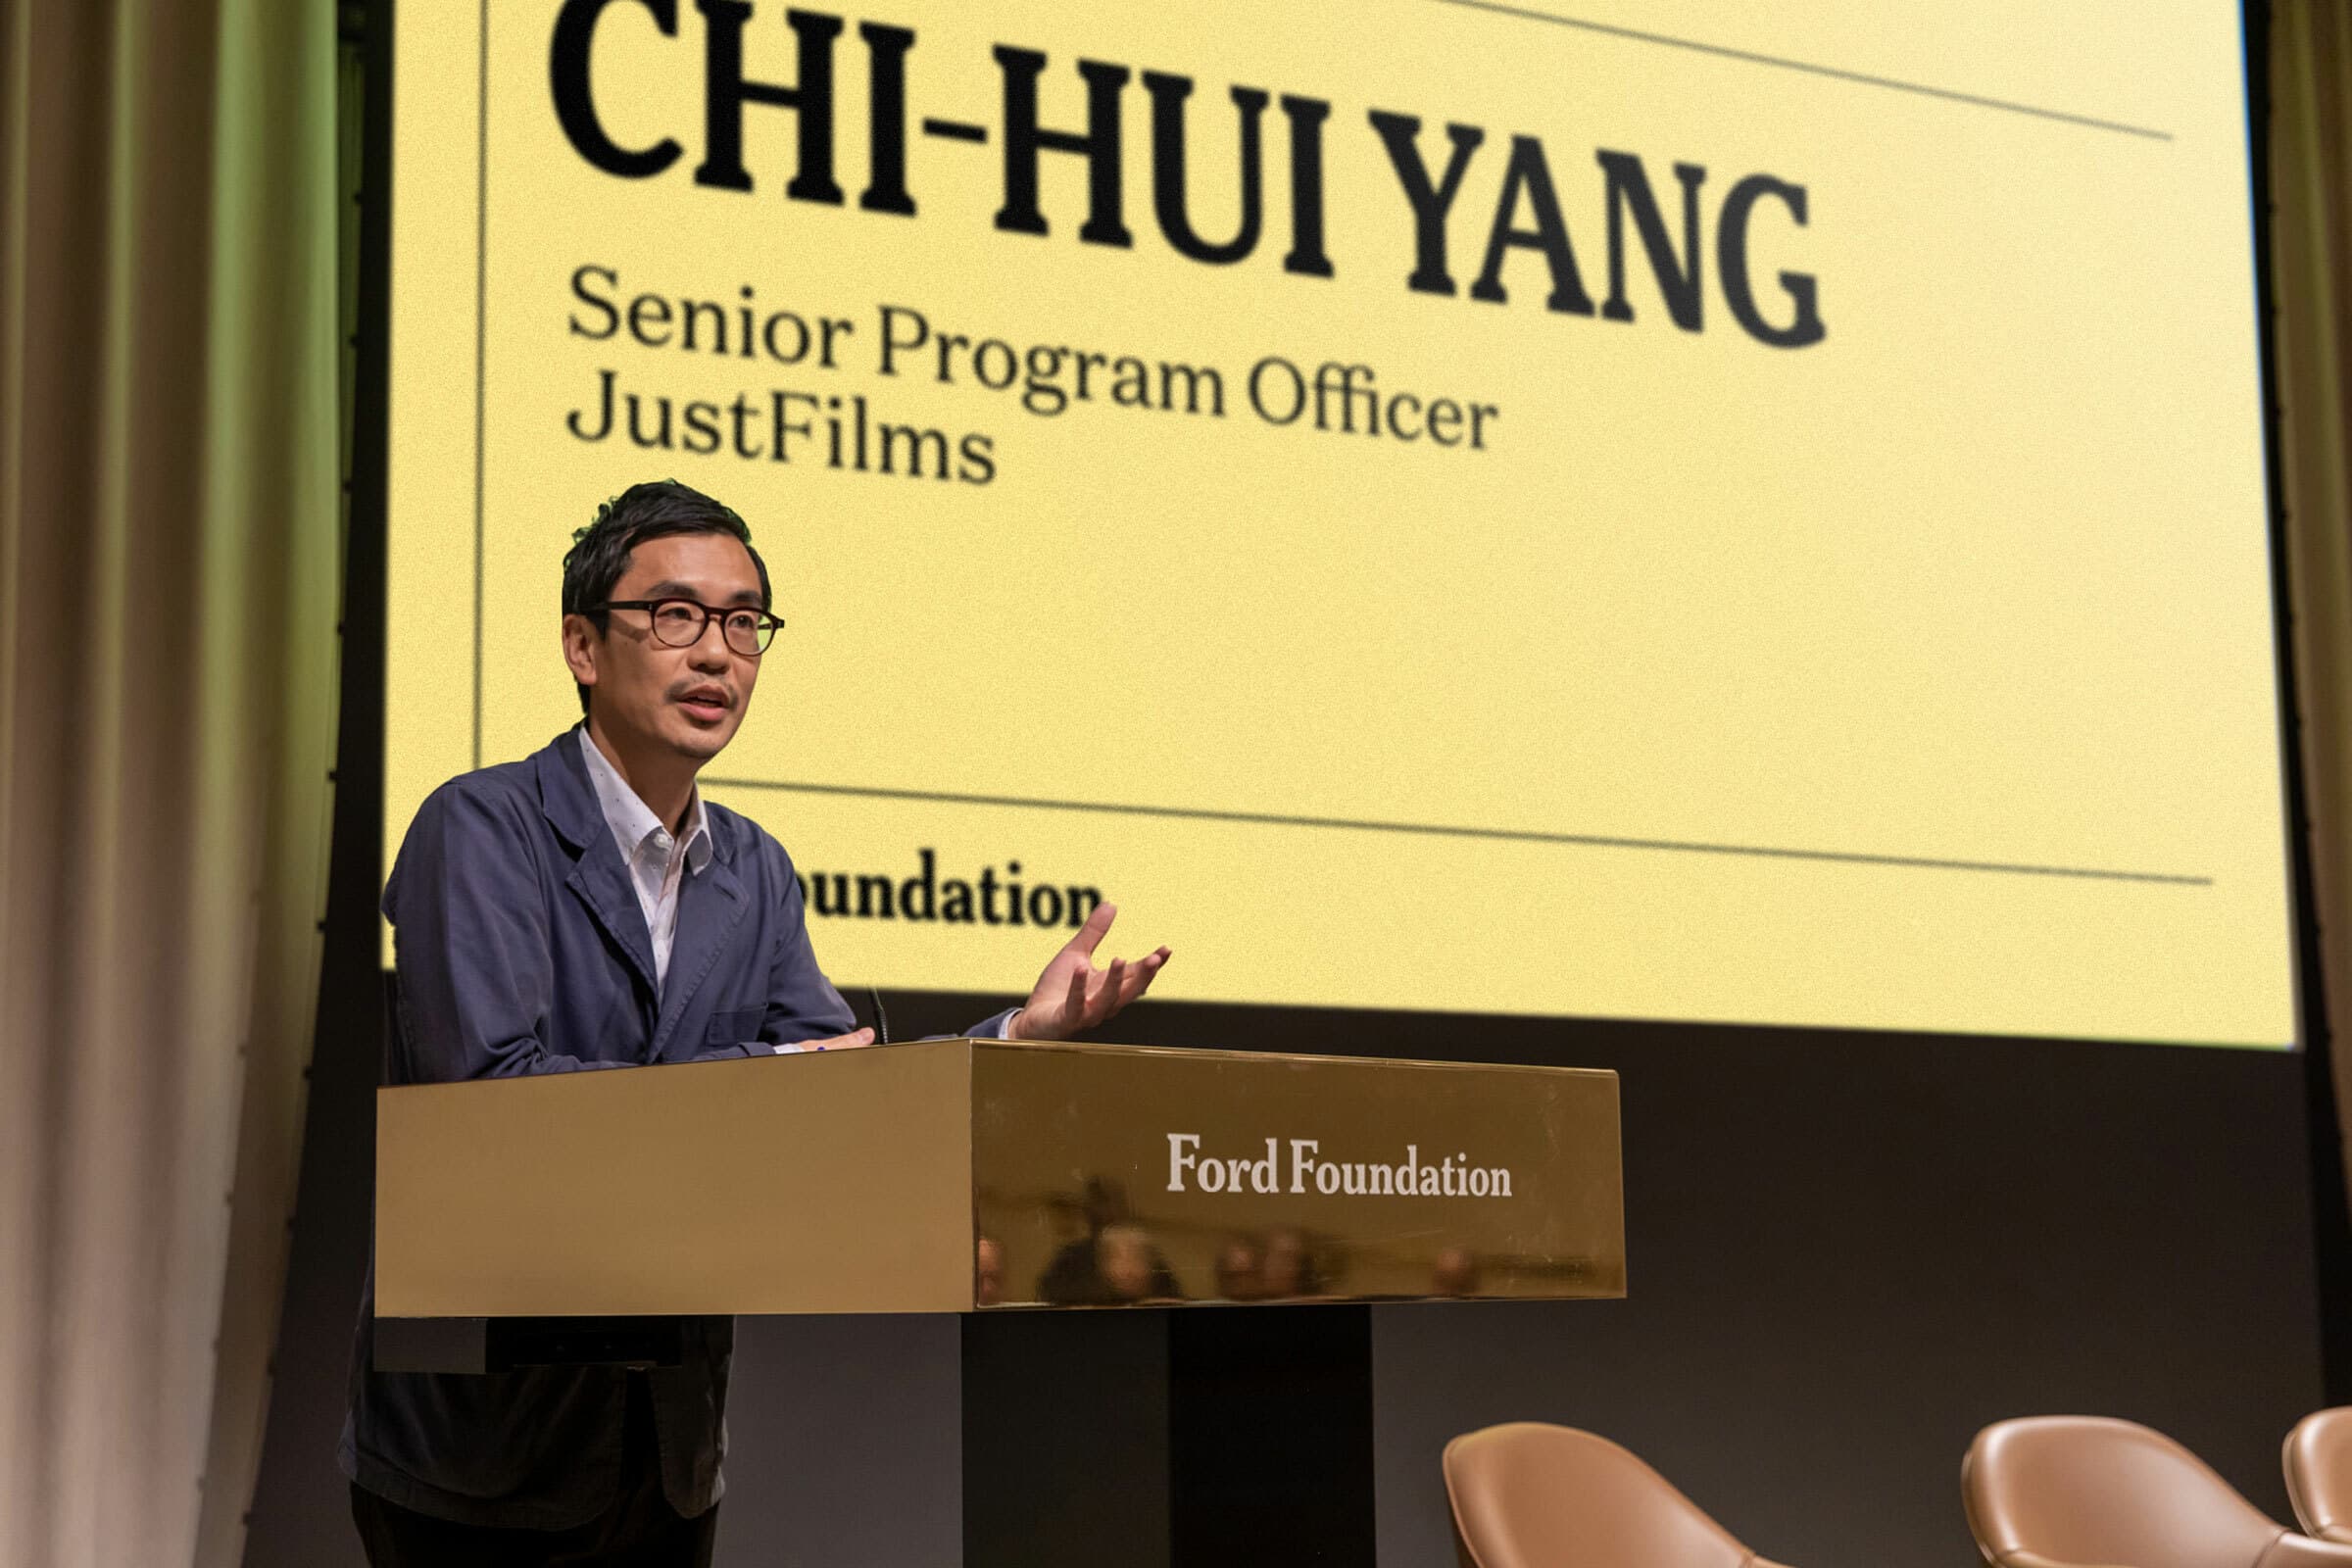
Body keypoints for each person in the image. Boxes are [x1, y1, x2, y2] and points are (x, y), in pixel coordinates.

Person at [341, 479, 1170, 1567]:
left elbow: (842, 1090)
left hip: (672, 1445)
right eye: (675, 615)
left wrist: (1017, 1034)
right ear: (583, 646)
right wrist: (766, 1071)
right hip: (487, 1448)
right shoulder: (484, 826)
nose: (717, 653)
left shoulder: (756, 870)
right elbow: (500, 1105)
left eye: (743, 623)